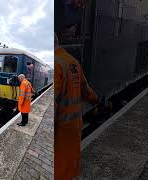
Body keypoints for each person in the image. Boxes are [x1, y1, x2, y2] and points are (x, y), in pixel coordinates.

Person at [54, 33, 99, 180]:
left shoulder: (56, 65)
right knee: (69, 168)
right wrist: (95, 99)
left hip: (59, 134)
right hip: (74, 130)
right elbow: (85, 90)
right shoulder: (72, 62)